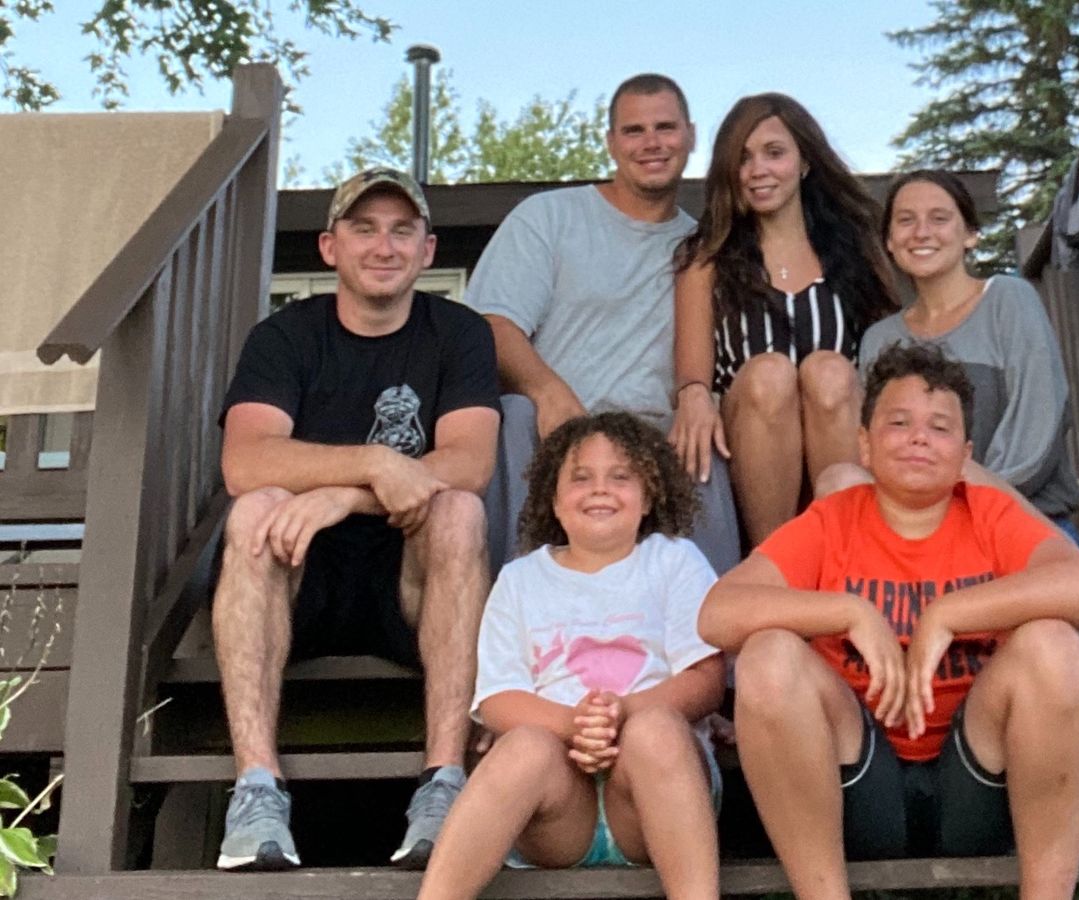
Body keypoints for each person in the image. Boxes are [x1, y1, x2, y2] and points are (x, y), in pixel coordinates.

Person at [701, 343, 1079, 899]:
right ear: (865, 445)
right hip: (859, 780)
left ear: (965, 455)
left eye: (940, 428)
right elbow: (718, 613)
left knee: (1054, 644)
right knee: (768, 654)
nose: (919, 437)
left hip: (977, 779)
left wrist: (947, 615)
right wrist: (850, 611)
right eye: (899, 423)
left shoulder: (989, 515)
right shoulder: (832, 520)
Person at [212, 167, 500, 871]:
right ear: (329, 246)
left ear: (427, 251)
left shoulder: (458, 332)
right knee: (255, 510)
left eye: (402, 231)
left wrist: (347, 495)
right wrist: (372, 463)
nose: (383, 246)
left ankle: (444, 784)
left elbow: (468, 463)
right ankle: (256, 792)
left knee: (459, 512)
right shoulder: (284, 336)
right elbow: (245, 462)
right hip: (300, 581)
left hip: (410, 584)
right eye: (364, 228)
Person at [418, 412, 724, 900]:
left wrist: (623, 713)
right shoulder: (520, 579)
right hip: (559, 811)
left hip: (652, 800)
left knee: (656, 730)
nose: (600, 489)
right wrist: (574, 724)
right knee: (523, 746)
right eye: (580, 478)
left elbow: (705, 678)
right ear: (554, 501)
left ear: (649, 496)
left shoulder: (674, 560)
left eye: (620, 476)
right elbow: (497, 699)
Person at [464, 73, 740, 577]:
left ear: (691, 136)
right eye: (634, 130)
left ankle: (720, 617)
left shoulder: (704, 248)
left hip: (657, 437)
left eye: (665, 127)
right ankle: (516, 601)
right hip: (556, 431)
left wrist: (698, 397)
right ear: (611, 142)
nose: (651, 143)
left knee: (704, 431)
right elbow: (493, 324)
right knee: (513, 413)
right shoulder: (549, 217)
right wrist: (546, 390)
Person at [672, 93, 897, 546]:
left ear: (805, 162)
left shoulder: (855, 247)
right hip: (749, 454)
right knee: (770, 373)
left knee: (829, 370)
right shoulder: (707, 257)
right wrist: (692, 395)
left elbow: (887, 355)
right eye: (743, 158)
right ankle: (774, 559)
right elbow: (693, 378)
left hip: (842, 445)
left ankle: (847, 553)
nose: (758, 170)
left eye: (774, 153)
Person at [858, 169, 1079, 532]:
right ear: (889, 241)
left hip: (1020, 521)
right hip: (920, 530)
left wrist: (969, 505)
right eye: (906, 220)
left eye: (939, 218)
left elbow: (1038, 423)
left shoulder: (1008, 299)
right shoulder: (879, 339)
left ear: (971, 234)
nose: (921, 232)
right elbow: (877, 448)